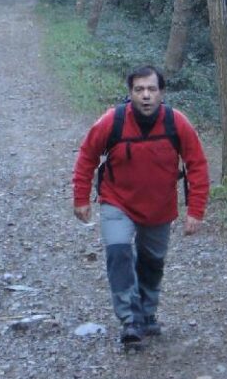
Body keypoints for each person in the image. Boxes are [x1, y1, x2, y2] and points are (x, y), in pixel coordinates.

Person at [72, 65, 210, 345]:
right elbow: (87, 155)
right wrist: (81, 197)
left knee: (152, 262)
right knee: (119, 253)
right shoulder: (112, 121)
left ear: (162, 93)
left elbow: (197, 166)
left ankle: (147, 314)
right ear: (130, 93)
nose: (146, 95)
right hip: (116, 201)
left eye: (151, 89)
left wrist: (195, 211)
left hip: (159, 207)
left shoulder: (177, 123)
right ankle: (130, 320)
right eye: (139, 90)